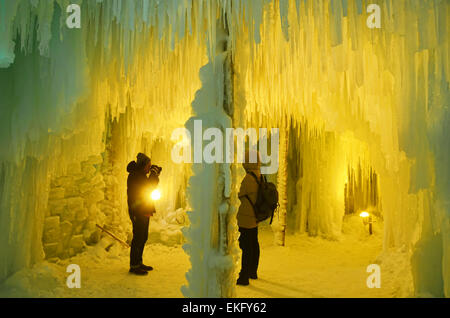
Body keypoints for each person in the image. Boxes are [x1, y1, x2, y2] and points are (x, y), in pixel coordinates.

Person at [126, 153, 160, 275]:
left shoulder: (140, 175)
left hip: (144, 211)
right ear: (142, 165)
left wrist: (153, 175)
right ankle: (134, 266)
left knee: (143, 237)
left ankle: (138, 262)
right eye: (148, 166)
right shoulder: (135, 176)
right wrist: (154, 175)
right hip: (138, 212)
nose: (149, 168)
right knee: (138, 238)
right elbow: (149, 187)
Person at [236, 150, 261, 286]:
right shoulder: (258, 175)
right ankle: (253, 271)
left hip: (246, 218)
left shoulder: (248, 178)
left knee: (246, 247)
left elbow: (238, 192)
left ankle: (244, 276)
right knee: (253, 244)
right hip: (254, 217)